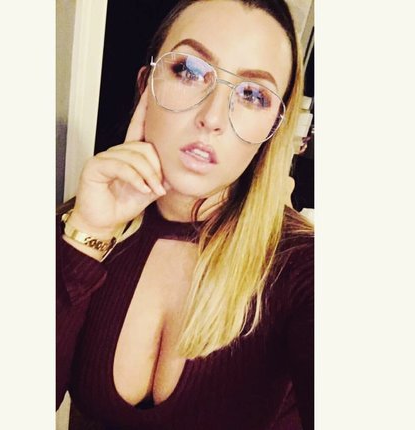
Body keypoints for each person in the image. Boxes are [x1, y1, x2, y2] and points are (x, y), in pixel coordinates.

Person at [56, 0, 314, 429]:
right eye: (190, 71)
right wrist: (87, 236)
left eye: (253, 94)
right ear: (146, 85)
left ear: (272, 129)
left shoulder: (302, 266)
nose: (212, 118)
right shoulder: (82, 225)